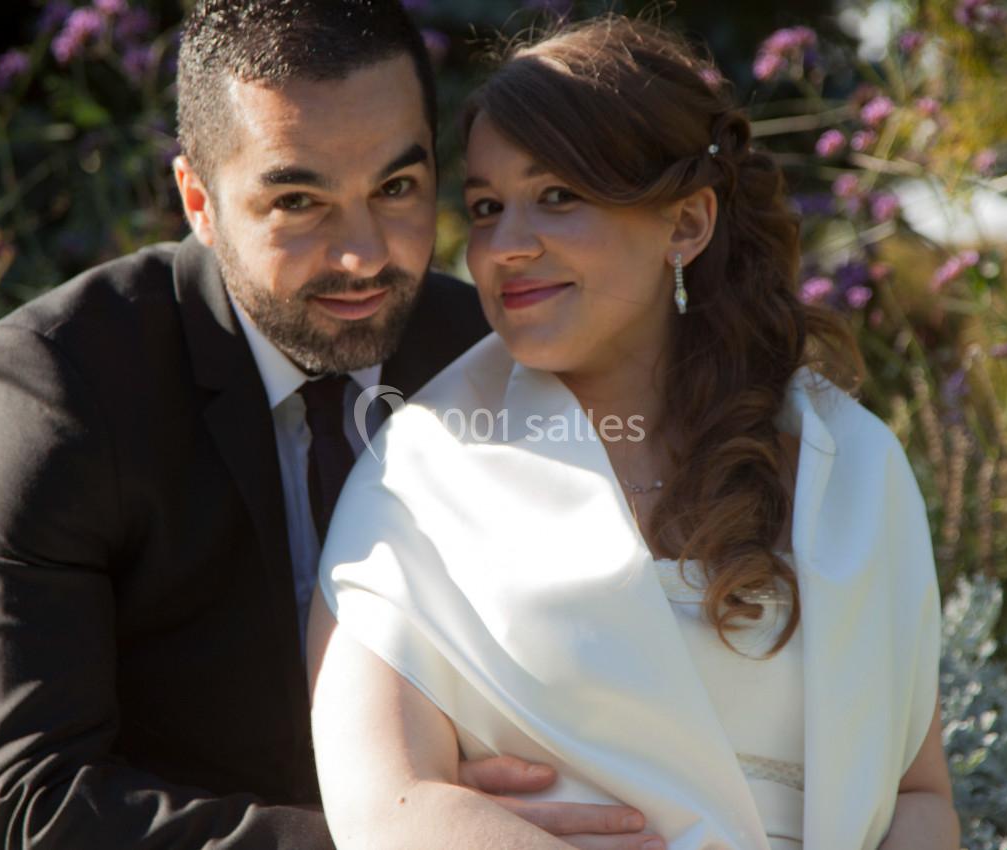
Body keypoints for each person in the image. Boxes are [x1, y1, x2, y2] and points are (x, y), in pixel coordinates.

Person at [0, 2, 667, 848]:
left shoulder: (486, 353)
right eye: (299, 201)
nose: (364, 255)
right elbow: (31, 797)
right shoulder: (60, 384)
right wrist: (398, 832)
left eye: (396, 188)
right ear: (199, 201)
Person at [309, 15, 961, 850]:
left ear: (685, 224)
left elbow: (918, 794)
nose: (506, 247)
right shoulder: (417, 475)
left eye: (557, 196)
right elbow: (385, 808)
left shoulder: (852, 467)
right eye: (485, 208)